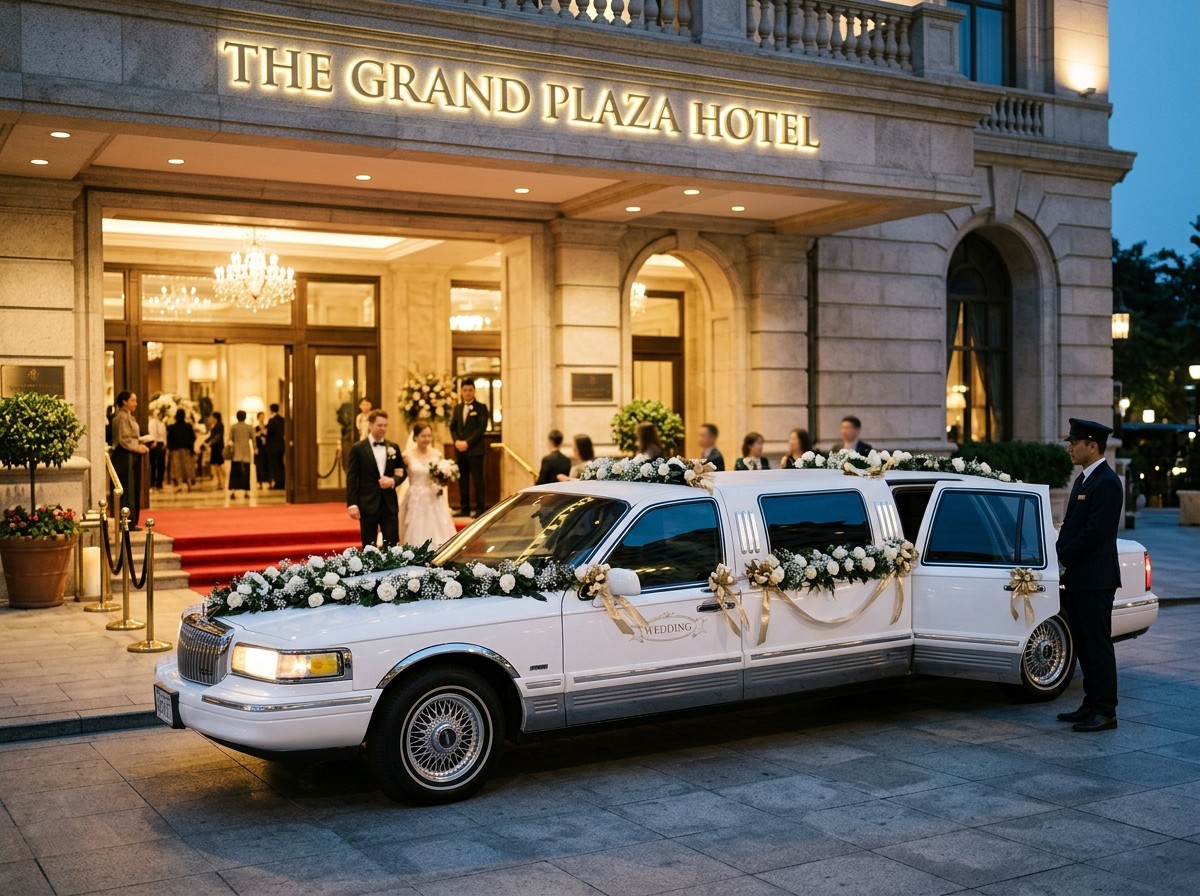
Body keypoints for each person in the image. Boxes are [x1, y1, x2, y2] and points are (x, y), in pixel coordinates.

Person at [1055, 418, 1124, 733]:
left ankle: (1106, 710)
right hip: (1079, 578)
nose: (1070, 448)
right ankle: (1091, 703)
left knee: (1097, 645)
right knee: (1083, 644)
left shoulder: (1107, 482)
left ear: (1092, 446)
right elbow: (1073, 525)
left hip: (1096, 580)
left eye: (1075, 443)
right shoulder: (1085, 479)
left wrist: (1063, 554)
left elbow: (1094, 532)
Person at [346, 410, 406, 548]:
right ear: (370, 425)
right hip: (367, 502)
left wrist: (392, 481)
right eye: (379, 425)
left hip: (389, 503)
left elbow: (402, 472)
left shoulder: (393, 447)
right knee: (369, 545)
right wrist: (352, 504)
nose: (383, 428)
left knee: (392, 543)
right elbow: (352, 477)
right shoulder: (358, 448)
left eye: (385, 425)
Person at [399, 422, 458, 548]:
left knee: (437, 528)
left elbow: (441, 478)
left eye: (429, 436)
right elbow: (401, 476)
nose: (426, 439)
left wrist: (445, 476)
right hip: (415, 496)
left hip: (434, 496)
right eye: (423, 436)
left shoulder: (437, 454)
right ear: (415, 437)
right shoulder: (406, 456)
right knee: (417, 527)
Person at [110, 391, 149, 529]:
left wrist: (142, 443)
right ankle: (126, 522)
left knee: (132, 489)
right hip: (124, 456)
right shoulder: (121, 417)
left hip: (130, 455)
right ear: (124, 402)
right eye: (133, 400)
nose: (135, 404)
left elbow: (132, 437)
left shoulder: (128, 416)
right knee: (127, 489)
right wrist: (137, 447)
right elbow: (124, 438)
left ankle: (131, 522)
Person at [450, 380, 489, 517]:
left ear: (474, 391)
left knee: (478, 480)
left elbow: (481, 428)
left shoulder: (481, 407)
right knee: (463, 480)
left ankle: (480, 509)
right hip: (460, 451)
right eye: (465, 390)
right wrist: (456, 441)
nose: (467, 393)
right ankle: (464, 508)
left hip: (475, 450)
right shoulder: (457, 408)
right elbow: (452, 427)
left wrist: (467, 442)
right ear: (461, 392)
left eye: (470, 390)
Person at [166, 408, 197, 492]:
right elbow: (193, 437)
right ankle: (189, 483)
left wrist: (170, 448)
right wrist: (190, 446)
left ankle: (180, 484)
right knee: (187, 467)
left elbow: (169, 440)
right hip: (186, 449)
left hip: (175, 450)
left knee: (177, 468)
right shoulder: (188, 426)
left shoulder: (171, 427)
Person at [228, 410, 254, 499]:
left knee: (235, 473)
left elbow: (230, 439)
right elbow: (253, 439)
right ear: (245, 417)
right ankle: (246, 491)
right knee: (246, 473)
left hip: (236, 453)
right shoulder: (249, 427)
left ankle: (233, 491)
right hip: (246, 453)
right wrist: (255, 448)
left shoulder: (233, 427)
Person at [266, 403, 286, 490]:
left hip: (273, 447)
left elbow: (269, 434)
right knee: (281, 464)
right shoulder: (283, 420)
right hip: (281, 445)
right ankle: (282, 483)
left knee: (275, 465)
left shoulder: (271, 421)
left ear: (271, 410)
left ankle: (277, 483)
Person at [147, 409, 167, 490]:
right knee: (154, 464)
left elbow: (164, 435)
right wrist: (154, 441)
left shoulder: (162, 423)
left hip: (161, 444)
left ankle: (159, 483)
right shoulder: (152, 422)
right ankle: (152, 483)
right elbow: (152, 432)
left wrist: (165, 444)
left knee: (161, 465)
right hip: (155, 444)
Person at [206, 411, 226, 491]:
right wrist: (205, 441)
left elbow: (218, 437)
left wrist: (210, 443)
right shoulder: (214, 426)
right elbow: (211, 436)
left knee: (219, 465)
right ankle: (219, 482)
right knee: (216, 465)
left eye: (211, 417)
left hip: (218, 447)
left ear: (215, 418)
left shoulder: (220, 425)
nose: (210, 419)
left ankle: (223, 481)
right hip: (214, 448)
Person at [253, 411, 269, 490]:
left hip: (266, 449)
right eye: (261, 417)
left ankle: (268, 481)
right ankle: (260, 483)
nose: (262, 419)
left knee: (267, 465)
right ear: (258, 418)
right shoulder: (256, 428)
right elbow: (253, 437)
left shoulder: (267, 427)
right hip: (259, 449)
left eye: (263, 417)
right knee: (259, 466)